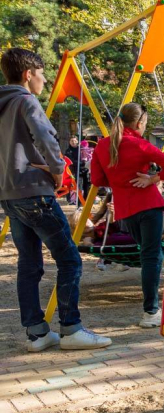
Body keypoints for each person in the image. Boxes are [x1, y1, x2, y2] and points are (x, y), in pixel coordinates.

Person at [0, 47, 111, 351]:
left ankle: (37, 332)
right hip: (35, 192)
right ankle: (71, 328)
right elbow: (46, 136)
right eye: (41, 74)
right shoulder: (25, 101)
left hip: (9, 195)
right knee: (70, 259)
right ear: (28, 74)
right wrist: (58, 168)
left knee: (29, 263)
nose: (45, 80)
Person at [91, 102, 164, 328]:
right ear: (140, 123)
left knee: (148, 255)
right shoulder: (140, 144)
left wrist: (119, 181)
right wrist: (153, 179)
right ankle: (151, 312)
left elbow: (97, 179)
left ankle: (152, 310)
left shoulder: (103, 145)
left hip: (125, 211)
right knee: (152, 256)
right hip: (148, 206)